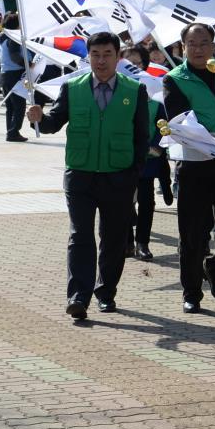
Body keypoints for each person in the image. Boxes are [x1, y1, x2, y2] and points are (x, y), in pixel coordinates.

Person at [27, 31, 152, 323]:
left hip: (118, 176)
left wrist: (133, 175)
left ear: (118, 57)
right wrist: (39, 118)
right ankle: (78, 297)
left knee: (113, 238)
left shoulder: (135, 90)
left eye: (107, 54)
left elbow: (141, 138)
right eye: (95, 54)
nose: (101, 61)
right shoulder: (73, 87)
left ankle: (105, 292)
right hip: (80, 175)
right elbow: (53, 123)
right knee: (80, 236)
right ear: (88, 57)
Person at [161, 22, 215, 314]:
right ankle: (191, 293)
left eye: (204, 44)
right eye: (192, 44)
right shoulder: (174, 79)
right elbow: (178, 120)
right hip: (195, 165)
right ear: (183, 47)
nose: (198, 49)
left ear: (214, 47)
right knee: (193, 236)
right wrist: (205, 137)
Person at [123, 46, 173, 261]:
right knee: (123, 202)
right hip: (121, 159)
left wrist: (157, 147)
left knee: (146, 202)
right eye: (127, 64)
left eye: (137, 64)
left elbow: (164, 127)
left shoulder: (155, 101)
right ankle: (126, 242)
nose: (132, 68)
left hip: (147, 160)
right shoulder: (116, 97)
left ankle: (142, 243)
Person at [0, 12, 29, 142]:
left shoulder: (3, 37)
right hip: (15, 75)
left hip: (5, 74)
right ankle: (13, 132)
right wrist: (28, 64)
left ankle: (11, 131)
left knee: (10, 107)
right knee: (19, 106)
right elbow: (15, 56)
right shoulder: (14, 38)